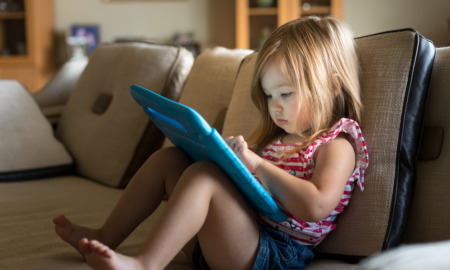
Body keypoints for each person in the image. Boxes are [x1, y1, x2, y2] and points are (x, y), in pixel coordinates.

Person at [53, 16, 369, 270]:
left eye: (285, 94)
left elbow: (316, 206)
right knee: (170, 159)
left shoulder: (336, 144)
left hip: (271, 254)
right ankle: (106, 237)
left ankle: (145, 264)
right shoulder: (279, 139)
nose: (275, 106)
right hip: (224, 241)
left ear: (331, 87)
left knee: (205, 177)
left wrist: (257, 166)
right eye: (270, 95)